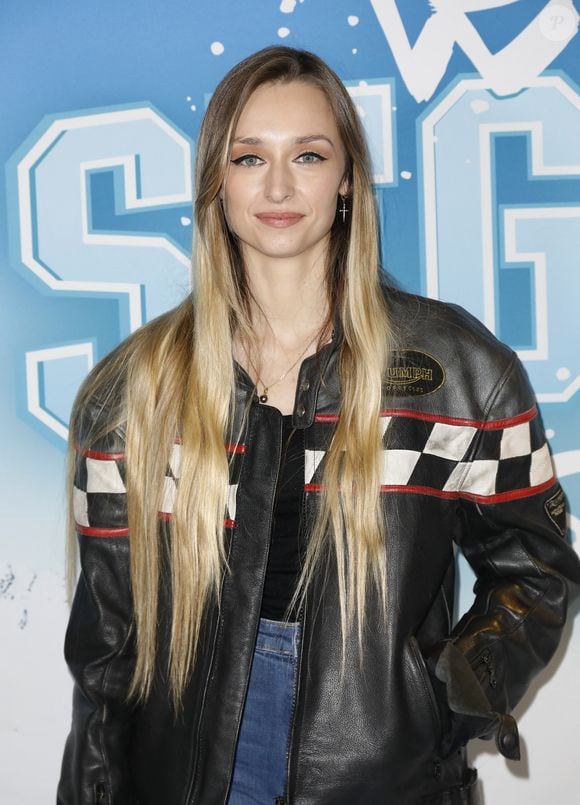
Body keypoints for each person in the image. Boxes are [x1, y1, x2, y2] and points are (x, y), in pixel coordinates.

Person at [57, 46, 580, 805]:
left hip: (385, 771)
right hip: (182, 770)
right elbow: (106, 652)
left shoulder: (460, 370)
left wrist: (447, 691)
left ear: (346, 180)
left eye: (307, 154)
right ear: (217, 183)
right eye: (248, 158)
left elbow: (538, 568)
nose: (277, 185)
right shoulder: (132, 393)